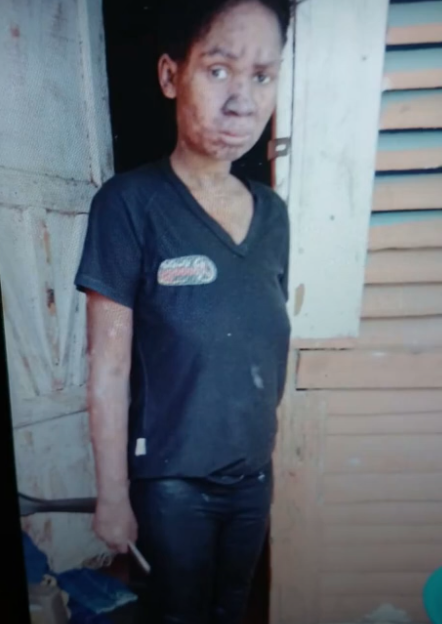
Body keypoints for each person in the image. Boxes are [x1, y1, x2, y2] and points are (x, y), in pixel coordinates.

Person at [75, 0, 292, 621]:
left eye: (262, 76)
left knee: (233, 609)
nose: (242, 102)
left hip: (252, 478)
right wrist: (113, 496)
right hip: (172, 485)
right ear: (171, 75)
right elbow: (109, 369)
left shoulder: (272, 215)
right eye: (219, 70)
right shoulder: (129, 204)